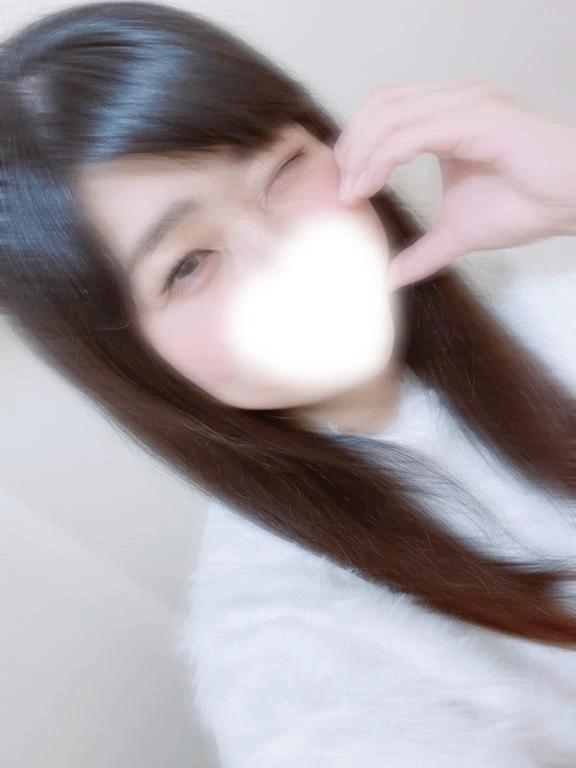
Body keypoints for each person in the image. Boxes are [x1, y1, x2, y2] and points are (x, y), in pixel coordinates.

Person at [1, 2, 576, 765]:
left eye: (281, 171)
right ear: (126, 361)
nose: (288, 254)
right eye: (187, 265)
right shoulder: (290, 641)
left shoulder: (553, 315)